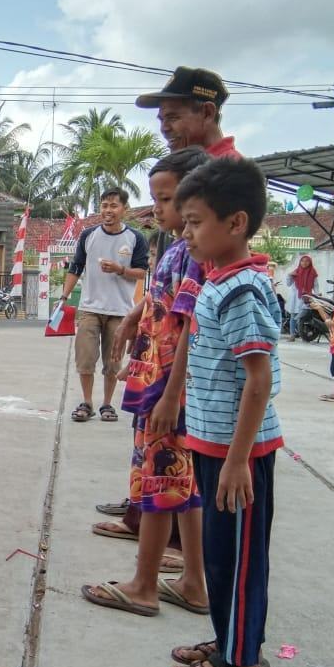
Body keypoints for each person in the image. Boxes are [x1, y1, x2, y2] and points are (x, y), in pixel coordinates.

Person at [165, 157, 282, 667]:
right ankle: (230, 641)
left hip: (241, 454)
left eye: (194, 221)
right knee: (220, 554)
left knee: (237, 559)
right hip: (215, 443)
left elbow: (258, 379)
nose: (185, 232)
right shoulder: (219, 279)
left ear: (234, 223)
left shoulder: (241, 290)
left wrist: (238, 459)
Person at [82, 147, 210, 618]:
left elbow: (190, 327)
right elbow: (163, 302)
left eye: (168, 198)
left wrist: (171, 393)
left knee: (158, 482)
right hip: (158, 380)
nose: (158, 207)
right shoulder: (176, 247)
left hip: (167, 388)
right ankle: (194, 581)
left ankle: (144, 584)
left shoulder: (193, 254)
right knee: (183, 484)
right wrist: (138, 315)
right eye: (155, 198)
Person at [61, 188, 148, 423]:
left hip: (120, 311)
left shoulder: (135, 238)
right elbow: (76, 267)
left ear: (124, 209)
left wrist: (120, 269)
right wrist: (64, 297)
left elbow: (141, 272)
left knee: (112, 361)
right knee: (85, 359)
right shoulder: (89, 235)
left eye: (113, 206)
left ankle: (107, 404)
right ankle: (87, 402)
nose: (108, 210)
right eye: (104, 205)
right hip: (89, 308)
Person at [136, 66, 242, 159]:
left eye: (172, 117)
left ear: (207, 113)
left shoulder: (229, 173)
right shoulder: (195, 169)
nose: (164, 128)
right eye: (162, 120)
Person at [284, 254, 319, 341]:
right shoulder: (295, 272)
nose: (304, 263)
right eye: (302, 261)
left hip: (306, 297)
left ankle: (303, 335)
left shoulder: (313, 273)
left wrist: (317, 295)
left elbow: (316, 285)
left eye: (307, 261)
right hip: (295, 297)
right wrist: (289, 275)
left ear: (310, 262)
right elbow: (288, 284)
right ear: (300, 262)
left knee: (303, 317)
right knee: (293, 316)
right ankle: (292, 335)